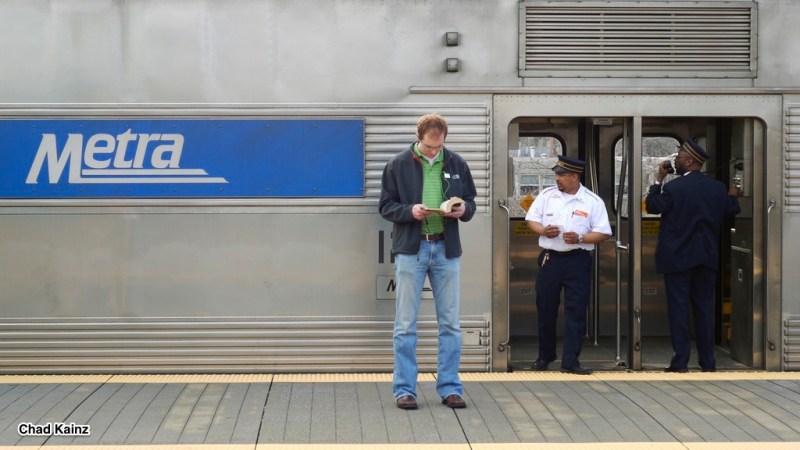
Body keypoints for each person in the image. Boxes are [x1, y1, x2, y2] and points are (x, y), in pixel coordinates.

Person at [379, 113, 477, 410]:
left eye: (439, 147)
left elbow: (471, 202)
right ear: (418, 138)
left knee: (450, 323)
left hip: (446, 249)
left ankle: (450, 388)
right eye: (429, 147)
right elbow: (385, 206)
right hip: (412, 249)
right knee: (405, 323)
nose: (434, 152)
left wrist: (462, 210)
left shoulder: (456, 163)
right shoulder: (397, 164)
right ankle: (404, 390)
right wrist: (410, 211)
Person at [645, 139, 741, 373]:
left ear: (689, 162)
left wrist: (658, 180)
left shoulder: (674, 188)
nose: (675, 161)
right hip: (706, 257)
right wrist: (732, 195)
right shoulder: (717, 188)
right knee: (704, 309)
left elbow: (653, 206)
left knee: (678, 309)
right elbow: (731, 209)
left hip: (677, 259)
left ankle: (680, 362)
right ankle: (708, 362)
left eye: (678, 158)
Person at [525, 156, 611, 375]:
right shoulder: (547, 196)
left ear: (574, 177)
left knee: (576, 311)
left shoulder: (592, 201)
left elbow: (603, 232)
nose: (557, 179)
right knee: (546, 309)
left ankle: (571, 361)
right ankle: (545, 356)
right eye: (557, 174)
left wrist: (581, 238)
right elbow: (531, 220)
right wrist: (543, 230)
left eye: (561, 175)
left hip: (577, 260)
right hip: (550, 259)